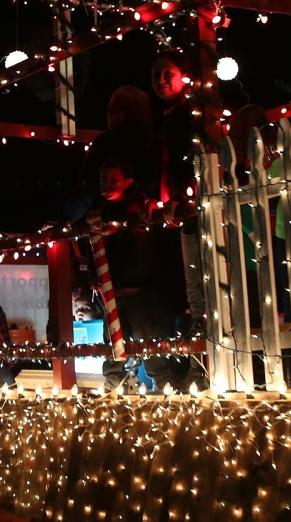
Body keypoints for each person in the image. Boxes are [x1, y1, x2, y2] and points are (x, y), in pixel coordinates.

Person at [83, 157, 187, 392]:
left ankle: (165, 386)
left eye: (113, 180)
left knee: (149, 343)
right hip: (112, 292)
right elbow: (92, 250)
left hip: (141, 291)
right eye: (104, 180)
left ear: (127, 181)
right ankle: (112, 386)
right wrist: (93, 277)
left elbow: (147, 229)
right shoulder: (96, 211)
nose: (107, 185)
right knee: (113, 345)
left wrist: (146, 211)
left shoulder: (139, 205)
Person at [150, 53, 206, 338]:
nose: (160, 81)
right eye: (156, 75)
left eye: (167, 74)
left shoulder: (188, 113)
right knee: (192, 274)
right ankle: (197, 323)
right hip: (182, 205)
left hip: (194, 203)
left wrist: (179, 197)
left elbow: (184, 158)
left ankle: (201, 323)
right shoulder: (168, 116)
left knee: (198, 270)